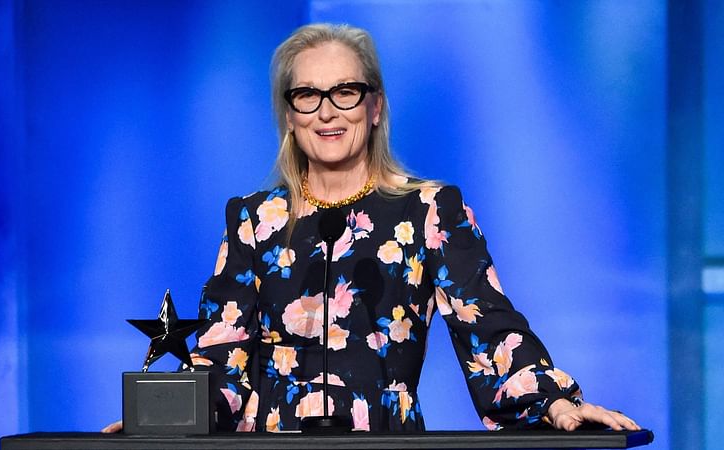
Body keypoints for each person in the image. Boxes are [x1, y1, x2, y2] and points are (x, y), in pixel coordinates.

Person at [105, 23, 640, 434]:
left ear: (376, 106)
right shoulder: (253, 220)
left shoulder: (431, 210)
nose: (326, 112)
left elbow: (491, 331)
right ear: (289, 115)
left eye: (346, 91)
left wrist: (554, 401)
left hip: (386, 444)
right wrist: (163, 417)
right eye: (307, 96)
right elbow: (225, 356)